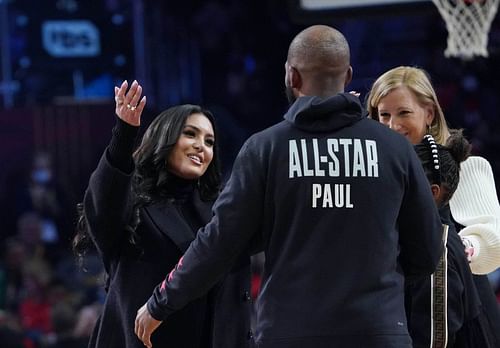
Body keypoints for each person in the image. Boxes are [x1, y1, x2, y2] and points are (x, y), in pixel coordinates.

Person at [134, 25, 443, 348]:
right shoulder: (395, 148)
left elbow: (219, 243)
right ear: (348, 76)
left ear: (291, 77)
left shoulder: (264, 149)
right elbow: (426, 252)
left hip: (290, 333)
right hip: (378, 331)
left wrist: (161, 302)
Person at [74, 80, 252, 348]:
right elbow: (103, 204)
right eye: (190, 134)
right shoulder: (132, 206)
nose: (200, 146)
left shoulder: (222, 212)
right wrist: (123, 134)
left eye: (209, 141)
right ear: (165, 138)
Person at [366, 65, 500, 346]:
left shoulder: (466, 168)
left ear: (428, 113)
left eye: (403, 113)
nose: (392, 126)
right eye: (384, 115)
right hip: (390, 310)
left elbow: (495, 241)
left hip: (460, 307)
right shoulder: (368, 176)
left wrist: (456, 250)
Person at [408, 131, 495, 347]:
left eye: (404, 180)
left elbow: (435, 340)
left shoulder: (437, 249)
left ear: (433, 192)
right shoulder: (429, 236)